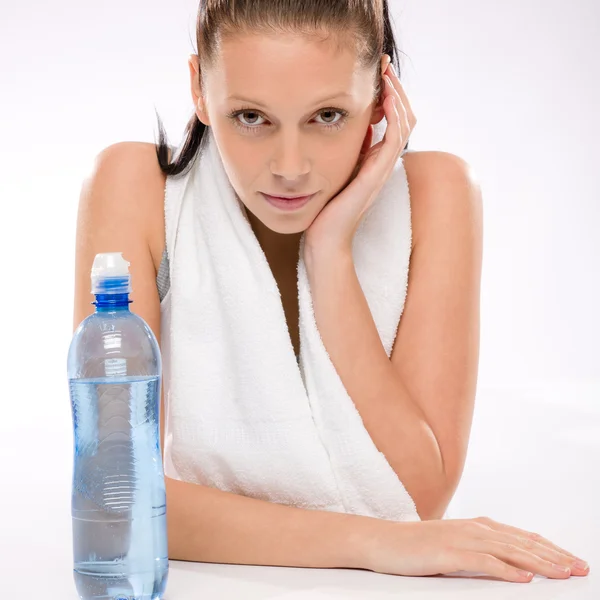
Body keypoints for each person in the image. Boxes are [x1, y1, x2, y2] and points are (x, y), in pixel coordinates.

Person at [73, 0, 590, 584]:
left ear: (380, 95)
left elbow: (419, 498)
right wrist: (375, 543)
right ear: (198, 88)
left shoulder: (438, 196)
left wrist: (331, 254)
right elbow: (115, 503)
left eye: (327, 116)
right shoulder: (137, 188)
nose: (290, 167)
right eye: (250, 117)